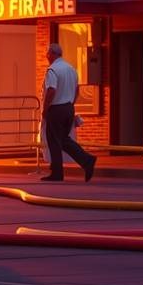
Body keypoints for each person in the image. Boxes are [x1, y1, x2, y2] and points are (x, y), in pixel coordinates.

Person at [41, 43, 96, 182]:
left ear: (52, 54)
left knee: (54, 140)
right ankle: (86, 160)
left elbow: (51, 90)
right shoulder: (71, 69)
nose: (47, 56)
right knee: (64, 139)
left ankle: (57, 173)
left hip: (56, 108)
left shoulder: (52, 70)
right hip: (68, 107)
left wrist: (45, 108)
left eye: (48, 54)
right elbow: (77, 89)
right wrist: (71, 103)